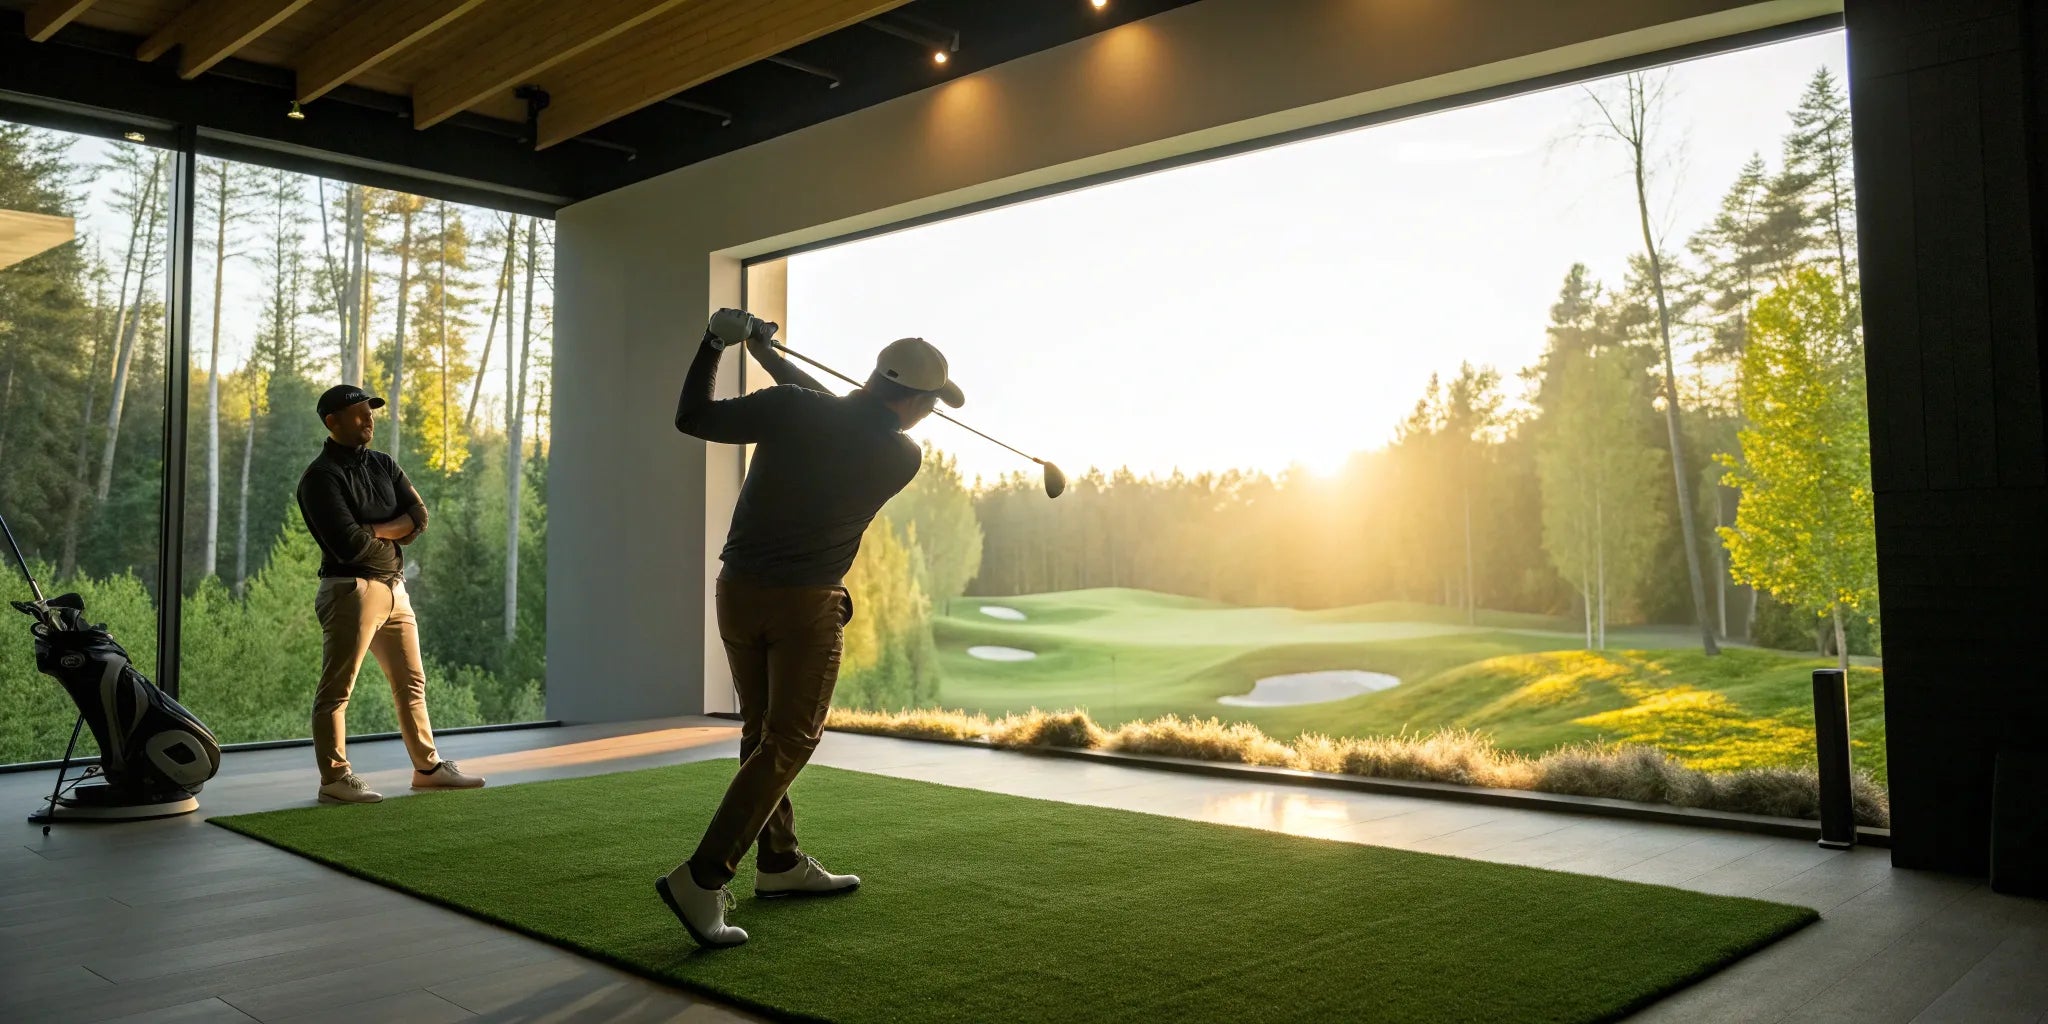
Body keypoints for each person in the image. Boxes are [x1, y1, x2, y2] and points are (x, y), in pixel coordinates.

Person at [658, 309, 964, 948]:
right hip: (805, 606)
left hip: (738, 592)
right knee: (791, 739)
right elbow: (843, 417)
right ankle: (703, 878)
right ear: (914, 402)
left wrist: (717, 342)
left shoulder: (795, 409)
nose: (929, 414)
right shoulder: (902, 455)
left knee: (762, 732)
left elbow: (696, 417)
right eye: (932, 404)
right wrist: (768, 357)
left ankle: (779, 862)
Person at [296, 384, 486, 804]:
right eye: (359, 413)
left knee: (412, 683)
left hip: (395, 588)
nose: (369, 418)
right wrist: (392, 530)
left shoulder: (383, 463)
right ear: (332, 421)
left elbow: (419, 516)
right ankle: (335, 779)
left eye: (371, 411)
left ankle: (428, 769)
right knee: (337, 690)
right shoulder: (320, 478)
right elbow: (349, 546)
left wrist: (374, 530)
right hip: (351, 590)